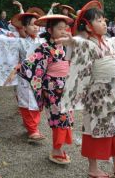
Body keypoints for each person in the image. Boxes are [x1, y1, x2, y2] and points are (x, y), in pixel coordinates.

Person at [57, 0, 115, 177]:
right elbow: (80, 44)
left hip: (110, 94)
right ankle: (93, 169)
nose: (104, 23)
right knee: (93, 129)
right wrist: (71, 41)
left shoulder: (110, 42)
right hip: (95, 96)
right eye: (99, 21)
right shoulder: (89, 44)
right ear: (89, 27)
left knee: (114, 129)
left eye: (104, 20)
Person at [0, 11, 46, 142]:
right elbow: (2, 39)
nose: (35, 27)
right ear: (24, 28)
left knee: (37, 102)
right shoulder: (20, 41)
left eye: (37, 25)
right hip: (24, 77)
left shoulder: (43, 40)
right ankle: (32, 130)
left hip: (39, 77)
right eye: (32, 25)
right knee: (25, 102)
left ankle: (33, 127)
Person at [18, 14, 74, 164]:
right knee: (59, 118)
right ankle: (56, 150)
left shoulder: (66, 46)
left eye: (65, 28)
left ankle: (59, 148)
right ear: (50, 30)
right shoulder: (44, 47)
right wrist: (42, 84)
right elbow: (28, 64)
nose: (63, 31)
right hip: (53, 88)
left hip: (65, 85)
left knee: (66, 117)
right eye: (60, 28)